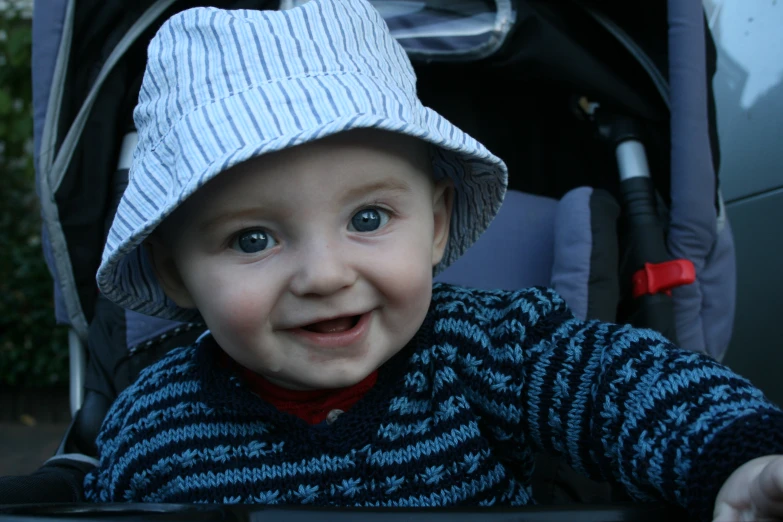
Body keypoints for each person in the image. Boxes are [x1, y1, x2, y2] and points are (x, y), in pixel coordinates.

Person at [85, 1, 783, 521]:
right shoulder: (152, 424)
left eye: (366, 219)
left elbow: (625, 385)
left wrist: (737, 459)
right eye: (252, 239)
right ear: (175, 273)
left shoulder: (489, 350)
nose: (325, 275)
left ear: (436, 225)